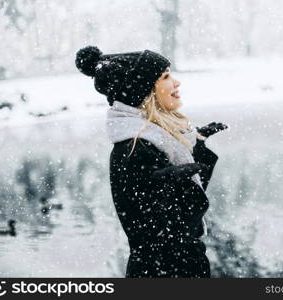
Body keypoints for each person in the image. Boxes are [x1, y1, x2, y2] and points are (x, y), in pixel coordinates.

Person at [75, 46, 228, 278]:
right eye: (166, 77)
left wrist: (196, 147)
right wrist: (171, 183)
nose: (176, 83)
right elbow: (158, 233)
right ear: (144, 91)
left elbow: (182, 215)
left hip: (178, 266)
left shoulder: (155, 139)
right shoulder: (133, 149)